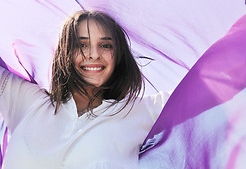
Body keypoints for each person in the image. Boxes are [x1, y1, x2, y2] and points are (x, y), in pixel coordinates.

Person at [0, 10, 169, 169]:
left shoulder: (140, 113)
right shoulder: (27, 102)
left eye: (105, 45)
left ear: (118, 56)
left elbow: (194, 96)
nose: (94, 54)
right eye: (82, 44)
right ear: (65, 53)